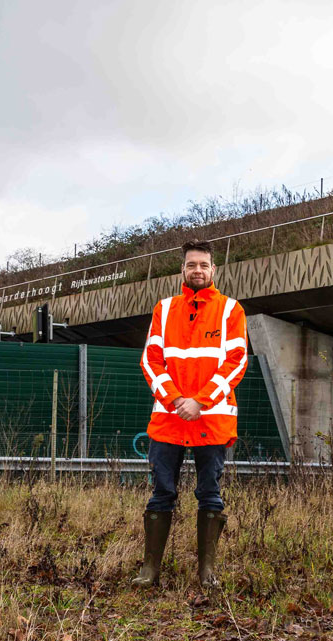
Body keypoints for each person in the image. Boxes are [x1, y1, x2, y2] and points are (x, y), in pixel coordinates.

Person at [132, 239, 248, 589]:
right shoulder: (164, 309)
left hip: (210, 420)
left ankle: (206, 572)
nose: (197, 270)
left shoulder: (231, 310)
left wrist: (200, 401)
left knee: (209, 493)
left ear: (214, 270)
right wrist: (175, 399)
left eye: (203, 265)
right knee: (161, 493)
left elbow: (236, 361)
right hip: (169, 420)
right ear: (182, 270)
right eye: (191, 265)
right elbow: (151, 361)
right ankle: (150, 570)